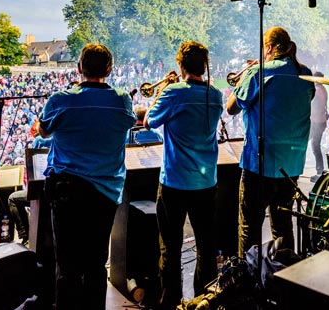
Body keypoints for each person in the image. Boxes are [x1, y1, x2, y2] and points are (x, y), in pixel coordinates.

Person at [39, 43, 136, 309]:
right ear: (109, 69)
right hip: (105, 194)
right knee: (96, 265)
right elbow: (129, 122)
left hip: (66, 190)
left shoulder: (61, 99)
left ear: (79, 67)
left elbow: (43, 131)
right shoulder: (121, 100)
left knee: (67, 267)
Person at [144, 41, 224, 310]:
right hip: (206, 181)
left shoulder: (173, 92)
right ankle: (204, 302)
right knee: (206, 246)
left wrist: (164, 88)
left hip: (175, 182)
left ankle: (171, 303)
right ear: (205, 66)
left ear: (180, 65)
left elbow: (149, 121)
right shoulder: (215, 95)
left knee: (170, 247)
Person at [226, 27, 315, 257]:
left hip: (260, 164)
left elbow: (231, 108)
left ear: (268, 48)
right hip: (291, 167)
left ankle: (248, 276)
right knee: (283, 226)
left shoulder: (258, 72)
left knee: (250, 228)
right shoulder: (305, 74)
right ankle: (284, 272)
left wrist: (249, 74)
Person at [308, 71, 329, 182]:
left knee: (313, 146)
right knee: (315, 146)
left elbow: (314, 107)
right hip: (320, 121)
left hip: (316, 122)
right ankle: (319, 172)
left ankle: (319, 173)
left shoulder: (317, 91)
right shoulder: (323, 89)